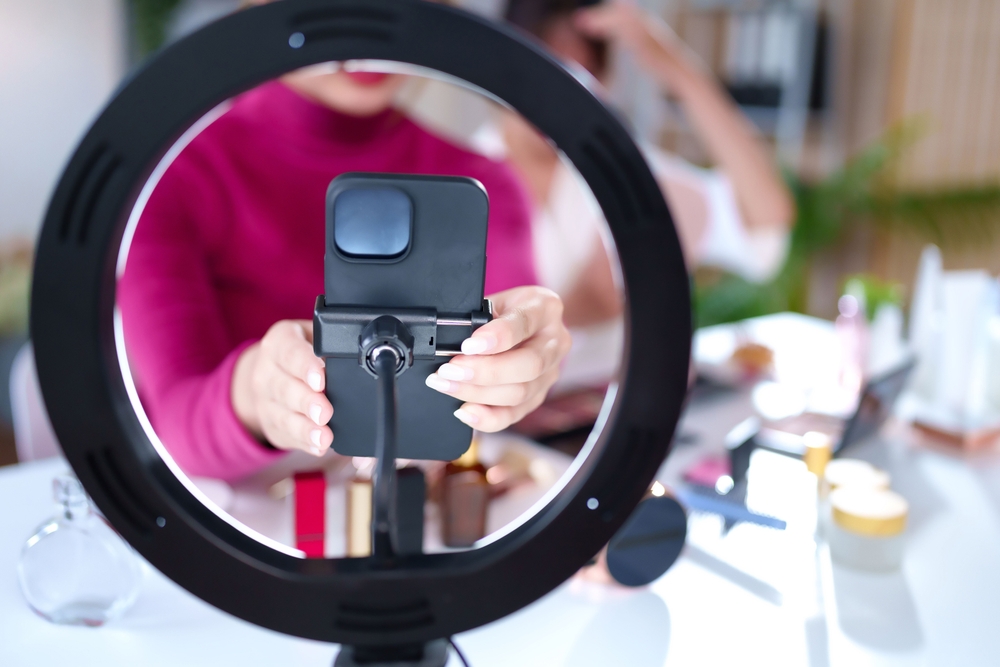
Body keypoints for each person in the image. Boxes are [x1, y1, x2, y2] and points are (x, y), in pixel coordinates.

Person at [118, 63, 571, 481]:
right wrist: (258, 390)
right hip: (232, 528)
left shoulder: (480, 181)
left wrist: (529, 359)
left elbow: (504, 369)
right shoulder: (169, 174)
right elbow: (174, 420)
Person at [498, 0, 795, 389]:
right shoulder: (461, 169)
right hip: (498, 432)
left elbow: (767, 218)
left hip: (616, 416)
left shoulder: (627, 172)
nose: (558, 97)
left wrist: (675, 70)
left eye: (581, 75)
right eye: (544, 71)